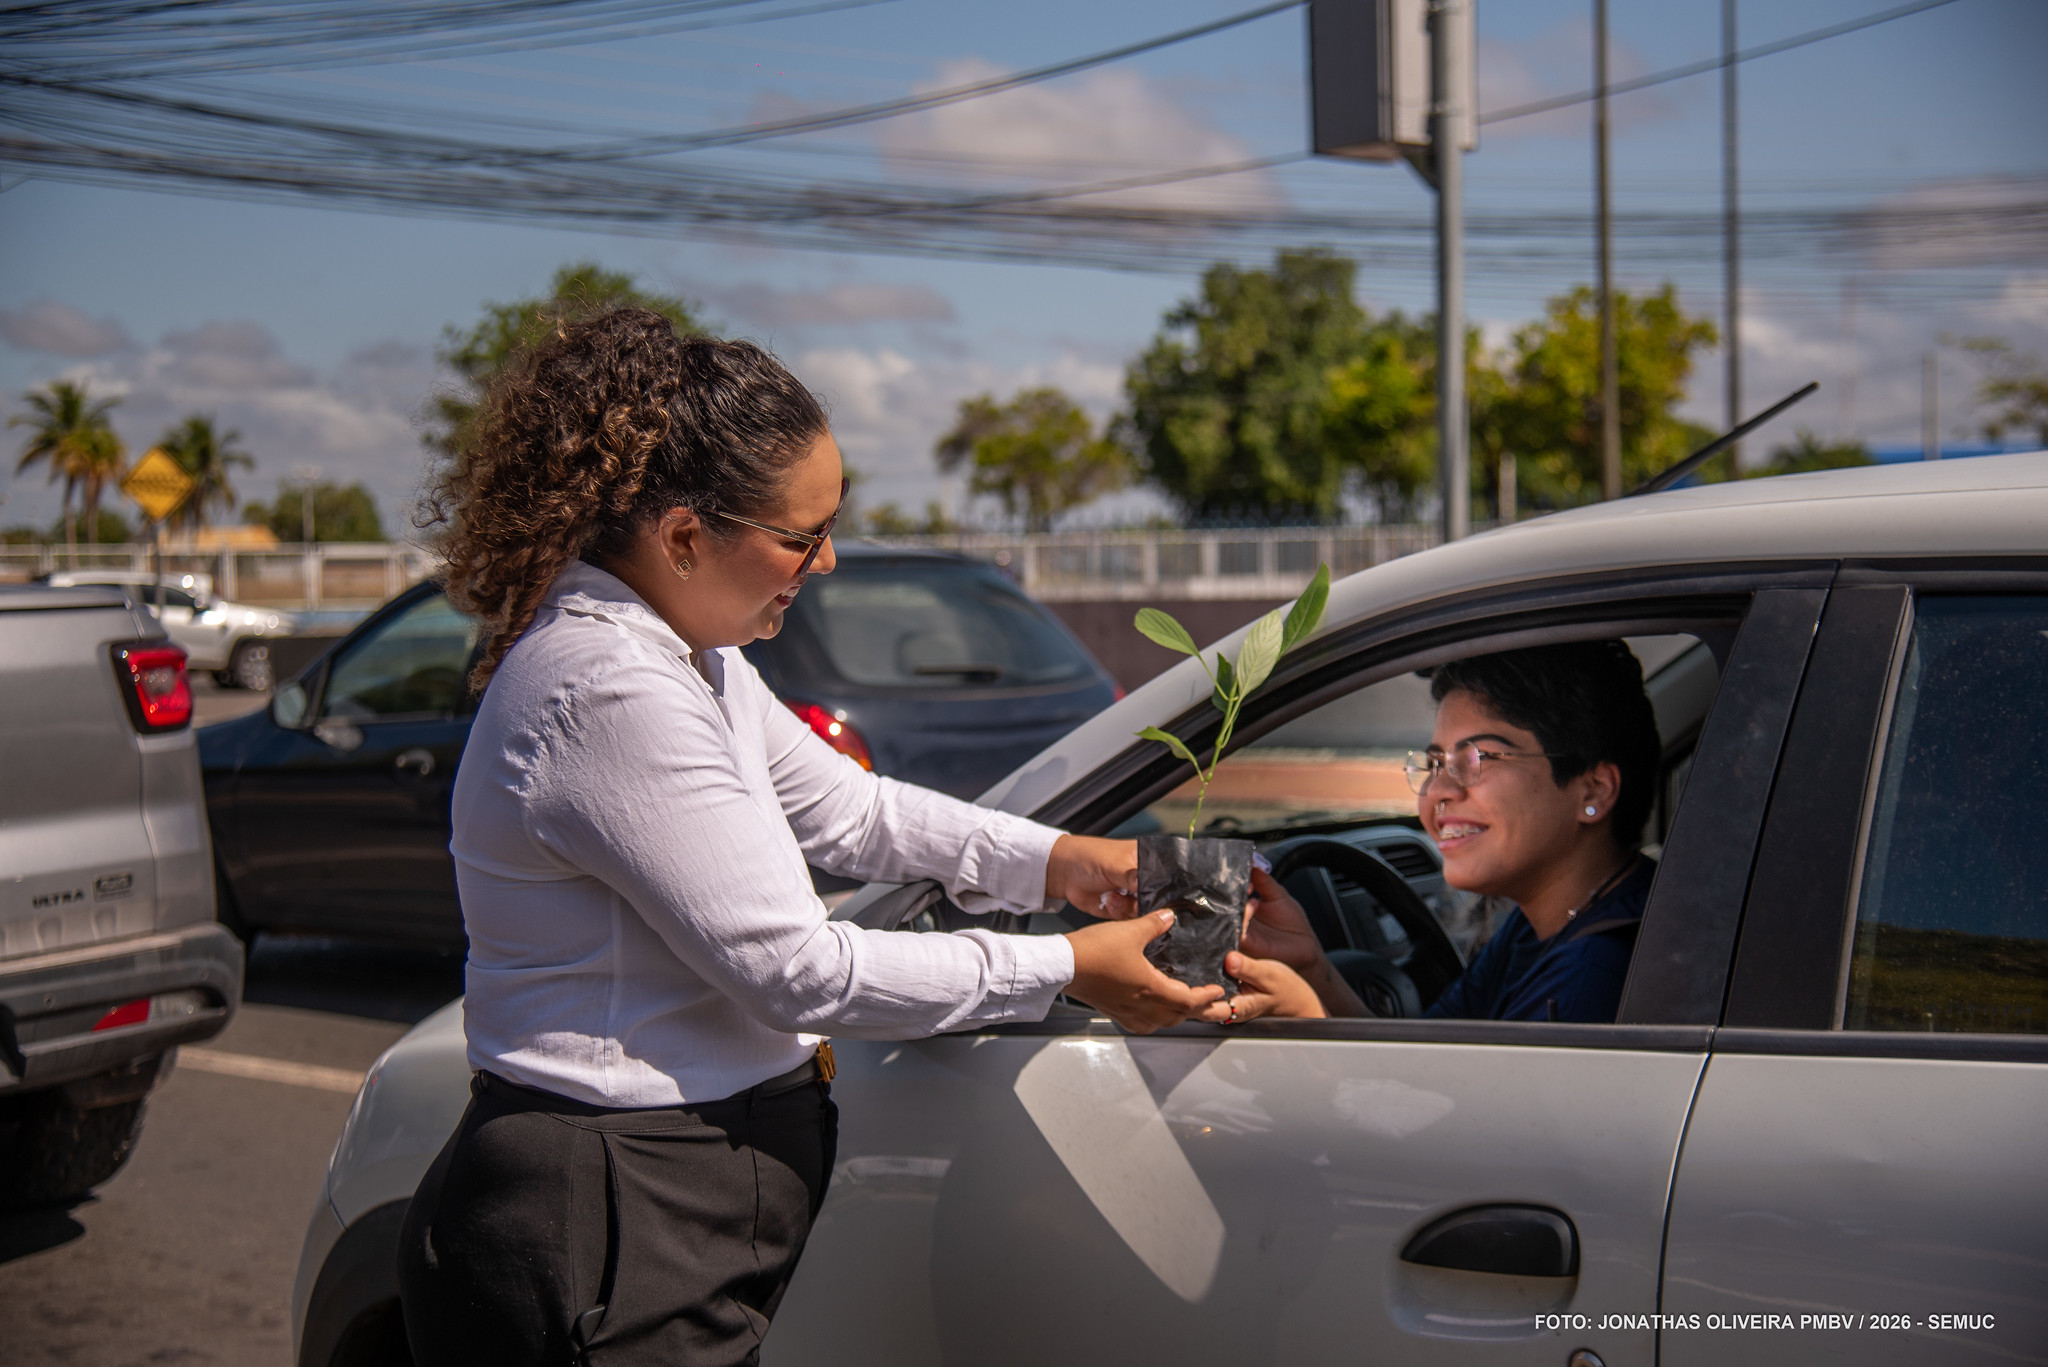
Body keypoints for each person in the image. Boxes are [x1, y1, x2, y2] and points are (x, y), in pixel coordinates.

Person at [396, 309, 1221, 1366]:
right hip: (607, 1218)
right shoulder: (608, 687)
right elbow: (794, 968)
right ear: (683, 535)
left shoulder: (695, 658)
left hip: (645, 1207)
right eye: (798, 534)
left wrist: (1062, 859)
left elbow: (852, 810)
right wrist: (1062, 965)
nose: (825, 560)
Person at [1216, 640, 1663, 1025]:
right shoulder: (1548, 923)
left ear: (1594, 790)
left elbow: (1446, 1122)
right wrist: (1315, 969)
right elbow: (1429, 1067)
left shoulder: (1592, 972)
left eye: (1480, 759)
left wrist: (1306, 1019)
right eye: (1435, 764)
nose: (1438, 792)